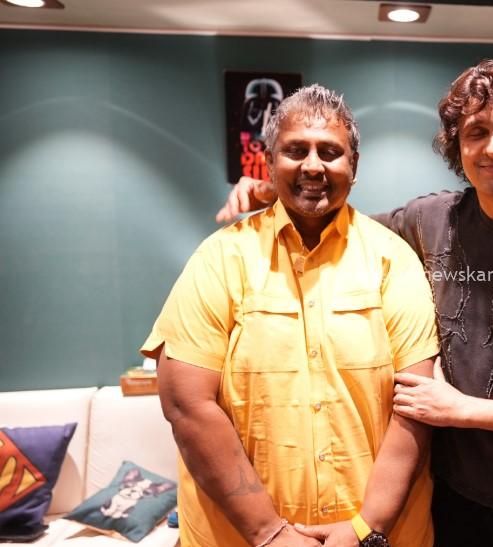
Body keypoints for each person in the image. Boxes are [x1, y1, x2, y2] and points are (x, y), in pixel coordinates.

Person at [217, 60, 493, 547]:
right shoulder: (432, 221)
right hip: (452, 499)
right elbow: (342, 220)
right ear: (458, 148)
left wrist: (461, 410)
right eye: (476, 132)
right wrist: (275, 189)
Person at [145, 84, 439, 547]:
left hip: (378, 537)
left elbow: (417, 406)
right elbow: (187, 405)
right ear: (268, 161)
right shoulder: (220, 258)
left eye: (330, 152)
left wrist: (365, 528)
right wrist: (269, 533)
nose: (313, 166)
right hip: (238, 538)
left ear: (354, 166)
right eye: (296, 150)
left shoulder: (393, 259)